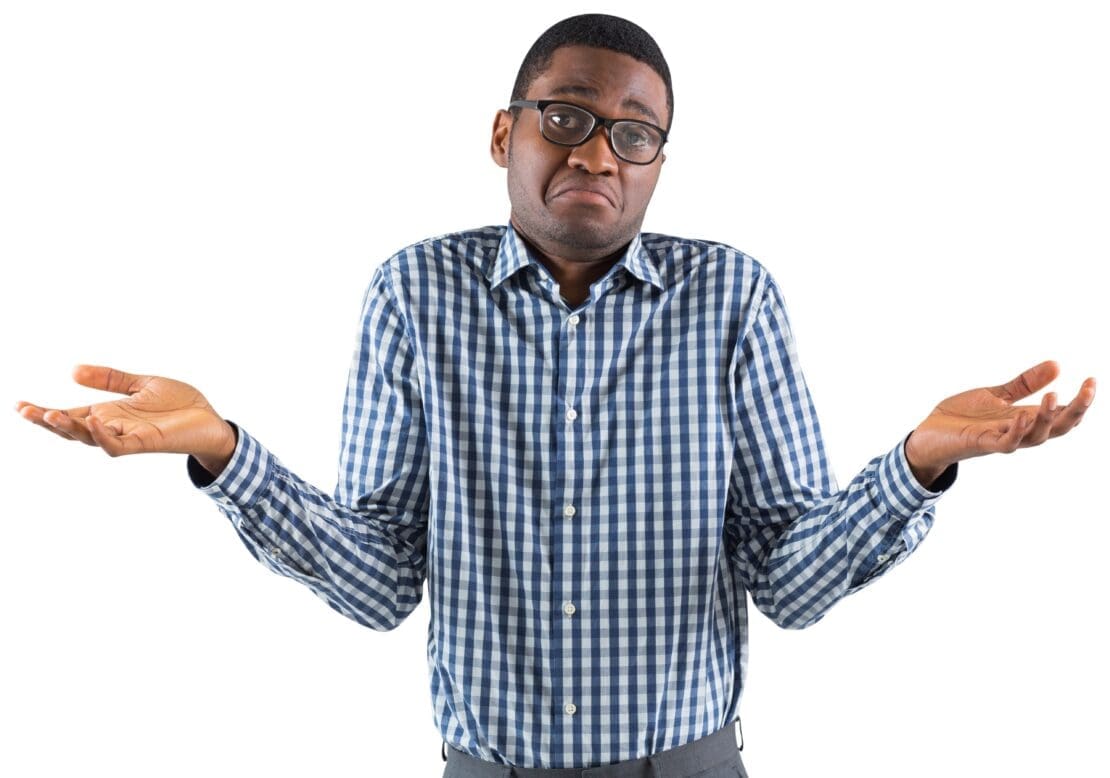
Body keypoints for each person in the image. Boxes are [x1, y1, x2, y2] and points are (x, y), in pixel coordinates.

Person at [14, 12, 1095, 778]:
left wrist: (915, 464)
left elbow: (791, 582)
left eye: (637, 133)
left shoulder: (731, 295)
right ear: (505, 132)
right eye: (568, 117)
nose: (602, 153)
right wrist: (222, 451)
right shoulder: (414, 291)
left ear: (659, 161)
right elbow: (383, 578)